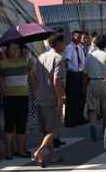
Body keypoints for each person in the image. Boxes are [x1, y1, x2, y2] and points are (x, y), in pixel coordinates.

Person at [33, 34, 67, 167]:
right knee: (53, 129)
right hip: (52, 98)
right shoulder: (58, 58)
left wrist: (37, 90)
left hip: (41, 97)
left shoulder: (41, 57)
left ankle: (52, 155)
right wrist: (60, 99)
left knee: (45, 130)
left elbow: (33, 75)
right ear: (58, 43)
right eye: (63, 43)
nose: (64, 46)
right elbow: (56, 80)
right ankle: (39, 152)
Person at [0, 41, 35, 159]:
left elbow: (32, 77)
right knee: (9, 125)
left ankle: (21, 150)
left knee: (21, 125)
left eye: (17, 49)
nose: (15, 51)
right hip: (9, 97)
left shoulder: (27, 61)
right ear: (7, 50)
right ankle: (9, 151)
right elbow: (0, 81)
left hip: (23, 96)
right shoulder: (2, 63)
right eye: (12, 49)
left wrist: (34, 91)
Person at [84, 35, 106, 141]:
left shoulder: (89, 56)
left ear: (95, 44)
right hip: (105, 82)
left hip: (93, 81)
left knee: (92, 107)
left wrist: (85, 85)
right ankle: (104, 129)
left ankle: (92, 125)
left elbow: (85, 73)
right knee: (105, 107)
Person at [64, 30, 86, 127]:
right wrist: (71, 69)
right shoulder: (69, 48)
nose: (79, 38)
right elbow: (67, 61)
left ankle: (78, 118)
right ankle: (70, 121)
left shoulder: (80, 48)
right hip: (72, 74)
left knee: (79, 97)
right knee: (71, 98)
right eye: (77, 36)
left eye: (80, 36)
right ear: (73, 36)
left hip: (80, 74)